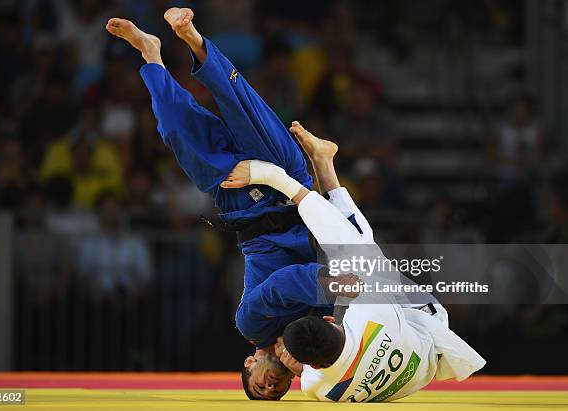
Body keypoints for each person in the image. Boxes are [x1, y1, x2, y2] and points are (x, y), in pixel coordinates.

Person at [105, 9, 359, 400]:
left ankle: (155, 52)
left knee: (175, 128)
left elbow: (281, 285)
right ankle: (191, 39)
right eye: (276, 391)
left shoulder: (252, 326)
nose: (271, 385)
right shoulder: (310, 341)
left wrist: (328, 286)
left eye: (259, 385)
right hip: (289, 190)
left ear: (248, 363)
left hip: (241, 202)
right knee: (243, 104)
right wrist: (315, 340)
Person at [221, 123, 486, 403]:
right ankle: (303, 169)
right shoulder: (368, 317)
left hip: (418, 366)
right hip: (421, 319)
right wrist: (275, 178)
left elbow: (317, 371)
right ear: (329, 319)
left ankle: (323, 159)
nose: (273, 386)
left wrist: (304, 367)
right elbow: (340, 236)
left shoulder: (316, 386)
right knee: (353, 249)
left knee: (358, 249)